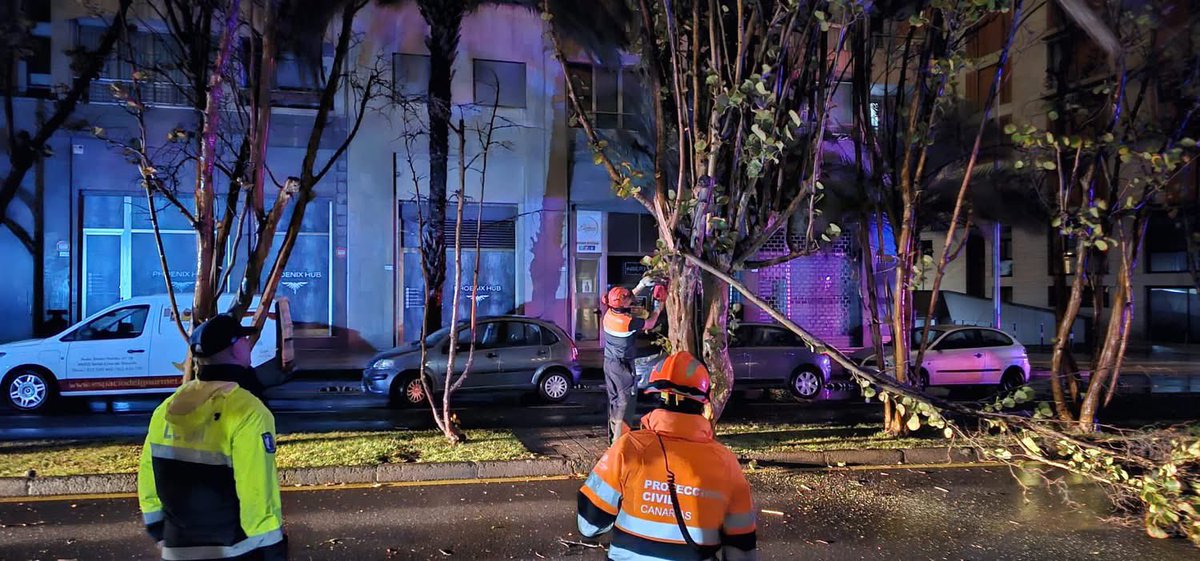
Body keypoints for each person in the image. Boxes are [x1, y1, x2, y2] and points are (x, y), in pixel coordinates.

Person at [577, 351, 758, 561]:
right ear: (704, 403)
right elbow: (742, 551)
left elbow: (588, 525)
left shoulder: (629, 448)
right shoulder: (727, 463)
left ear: (658, 395)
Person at [138, 314, 287, 561]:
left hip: (177, 547)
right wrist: (272, 549)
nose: (248, 344)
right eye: (243, 339)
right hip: (235, 549)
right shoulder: (247, 410)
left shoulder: (168, 407)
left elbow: (148, 472)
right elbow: (256, 489)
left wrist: (156, 527)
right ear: (236, 349)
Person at [601, 277, 664, 444]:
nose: (632, 300)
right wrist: (658, 307)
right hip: (622, 365)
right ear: (623, 305)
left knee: (614, 401)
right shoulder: (627, 322)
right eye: (629, 300)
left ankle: (613, 438)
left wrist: (641, 285)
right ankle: (619, 441)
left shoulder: (610, 313)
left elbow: (626, 299)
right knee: (625, 402)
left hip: (609, 362)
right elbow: (650, 323)